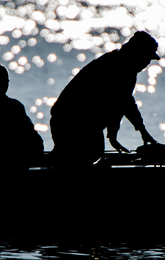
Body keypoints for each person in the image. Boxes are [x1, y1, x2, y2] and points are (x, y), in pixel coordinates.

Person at [50, 31, 159, 168]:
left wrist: (116, 134)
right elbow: (122, 102)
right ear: (137, 54)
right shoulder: (115, 66)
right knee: (86, 156)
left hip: (85, 124)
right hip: (69, 121)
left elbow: (122, 103)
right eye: (147, 58)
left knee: (89, 156)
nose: (147, 63)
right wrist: (134, 131)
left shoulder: (126, 68)